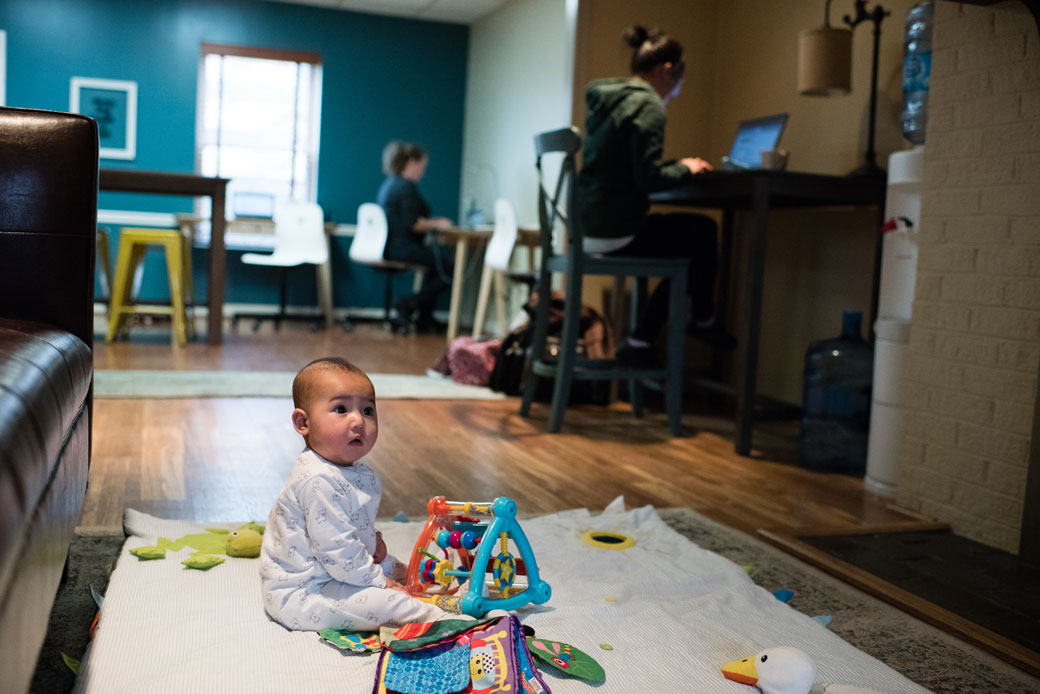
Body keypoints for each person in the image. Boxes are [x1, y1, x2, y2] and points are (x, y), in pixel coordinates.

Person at [576, 25, 731, 367]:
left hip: (590, 229)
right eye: (678, 85)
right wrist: (687, 169)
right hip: (619, 231)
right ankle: (700, 322)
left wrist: (676, 165)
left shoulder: (610, 100)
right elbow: (648, 178)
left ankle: (642, 339)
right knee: (703, 233)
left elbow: (630, 169)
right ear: (666, 71)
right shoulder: (648, 104)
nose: (675, 94)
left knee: (689, 243)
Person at [259, 357, 447, 631]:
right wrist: (382, 584)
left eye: (368, 410)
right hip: (304, 594)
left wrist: (371, 541)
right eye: (341, 409)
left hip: (337, 571)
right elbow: (337, 550)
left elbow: (346, 528)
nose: (358, 420)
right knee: (384, 602)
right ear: (303, 422)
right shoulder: (317, 479)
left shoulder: (355, 472)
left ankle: (419, 582)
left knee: (388, 565)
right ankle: (439, 618)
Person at [376, 141, 455, 333]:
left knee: (435, 268)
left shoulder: (390, 184)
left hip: (391, 245)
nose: (423, 171)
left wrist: (432, 221)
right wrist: (438, 223)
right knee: (449, 270)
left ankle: (424, 318)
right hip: (402, 247)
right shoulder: (406, 187)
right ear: (411, 162)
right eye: (422, 166)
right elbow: (413, 224)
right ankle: (409, 303)